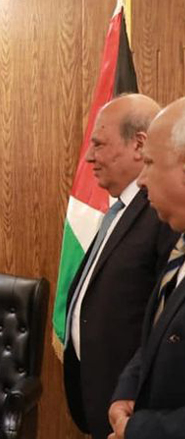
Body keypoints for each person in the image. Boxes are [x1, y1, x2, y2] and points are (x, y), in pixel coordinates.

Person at [62, 94, 178, 439]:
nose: (89, 157)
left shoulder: (163, 215)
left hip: (139, 410)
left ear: (139, 145)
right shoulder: (118, 209)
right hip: (106, 397)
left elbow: (162, 320)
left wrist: (135, 413)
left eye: (99, 144)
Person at [108, 97, 185, 439]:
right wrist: (128, 387)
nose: (141, 180)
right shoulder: (179, 246)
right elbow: (159, 333)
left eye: (150, 162)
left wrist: (137, 430)